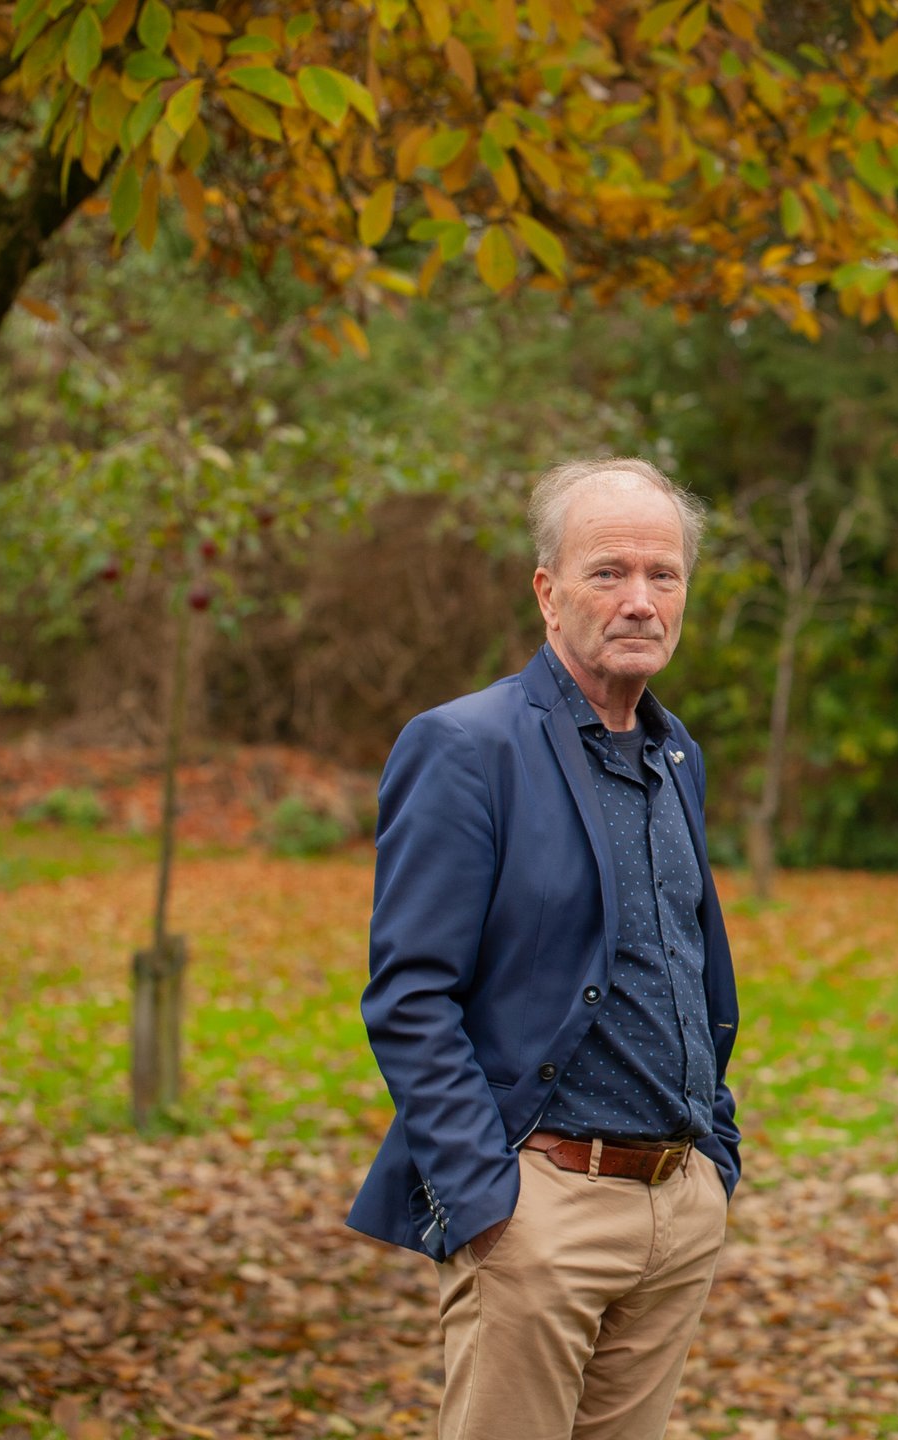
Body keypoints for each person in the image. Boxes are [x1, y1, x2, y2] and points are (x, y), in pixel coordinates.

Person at [347, 457, 742, 1440]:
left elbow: (680, 966)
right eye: (609, 572)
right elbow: (409, 997)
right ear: (547, 589)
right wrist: (491, 1201)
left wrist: (714, 1163)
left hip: (674, 1208)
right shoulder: (466, 748)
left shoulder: (673, 755)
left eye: (664, 575)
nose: (641, 601)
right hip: (542, 1210)